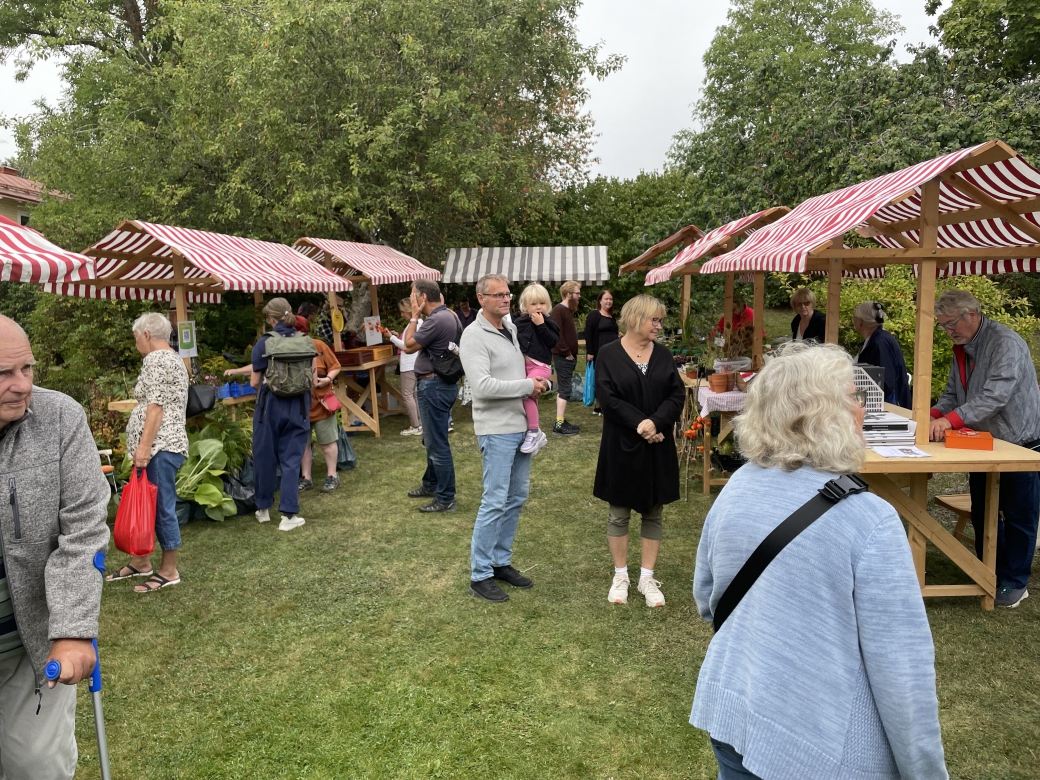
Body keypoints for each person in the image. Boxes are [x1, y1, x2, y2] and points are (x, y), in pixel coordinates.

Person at [692, 342, 948, 780]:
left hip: (733, 709)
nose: (864, 408)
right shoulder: (870, 519)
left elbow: (705, 598)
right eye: (854, 396)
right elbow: (902, 675)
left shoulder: (739, 485)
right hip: (823, 746)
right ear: (824, 412)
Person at [0, 315, 110, 780]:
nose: (22, 385)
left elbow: (83, 529)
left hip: (29, 645)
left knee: (35, 767)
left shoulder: (61, 417)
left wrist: (70, 628)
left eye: (27, 368)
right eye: (3, 373)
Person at [930, 289, 1040, 608]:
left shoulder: (1005, 342)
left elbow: (994, 397)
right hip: (985, 444)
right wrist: (933, 416)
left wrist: (949, 420)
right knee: (984, 511)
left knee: (1019, 515)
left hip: (1020, 443)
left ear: (973, 314)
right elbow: (953, 394)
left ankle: (1015, 582)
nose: (948, 331)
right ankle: (988, 571)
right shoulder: (963, 347)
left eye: (951, 324)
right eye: (943, 326)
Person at [460, 274, 550, 602]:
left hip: (520, 426)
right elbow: (482, 386)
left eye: (507, 294)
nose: (505, 299)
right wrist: (527, 387)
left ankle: (500, 561)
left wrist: (541, 383)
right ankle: (480, 574)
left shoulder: (511, 328)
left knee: (516, 497)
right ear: (481, 298)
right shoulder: (473, 336)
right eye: (497, 295)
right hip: (496, 429)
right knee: (495, 499)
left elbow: (528, 368)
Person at [594, 295, 684, 608]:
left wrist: (656, 423)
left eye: (660, 320)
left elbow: (676, 394)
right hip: (621, 443)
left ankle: (647, 577)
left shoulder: (663, 355)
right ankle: (621, 575)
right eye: (654, 320)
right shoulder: (608, 354)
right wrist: (640, 424)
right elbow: (607, 397)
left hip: (657, 444)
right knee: (619, 511)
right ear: (635, 320)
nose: (659, 325)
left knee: (653, 510)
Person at [107, 312, 190, 592]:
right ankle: (141, 561)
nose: (136, 345)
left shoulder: (156, 359)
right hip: (164, 443)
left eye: (135, 339)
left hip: (160, 445)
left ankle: (169, 570)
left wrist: (143, 448)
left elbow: (156, 406)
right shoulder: (174, 358)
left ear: (145, 335)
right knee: (148, 502)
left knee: (161, 506)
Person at [250, 298, 317, 531]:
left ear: (270, 318)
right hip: (298, 405)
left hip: (269, 405)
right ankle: (289, 516)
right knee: (291, 459)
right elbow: (314, 380)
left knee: (264, 455)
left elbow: (254, 382)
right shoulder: (306, 341)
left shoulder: (264, 343)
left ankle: (263, 509)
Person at [400, 279, 461, 513]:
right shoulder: (451, 316)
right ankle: (431, 483)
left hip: (433, 384)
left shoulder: (435, 319)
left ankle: (446, 499)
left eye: (413, 296)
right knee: (431, 439)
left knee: (437, 444)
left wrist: (414, 317)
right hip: (442, 383)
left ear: (423, 297)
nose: (412, 300)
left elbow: (408, 346)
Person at [513, 283, 559, 454]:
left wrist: (541, 325)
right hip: (525, 367)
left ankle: (534, 431)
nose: (538, 306)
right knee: (531, 398)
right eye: (533, 303)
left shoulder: (549, 323)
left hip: (540, 366)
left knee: (526, 392)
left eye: (542, 303)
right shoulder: (519, 323)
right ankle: (531, 431)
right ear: (525, 306)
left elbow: (553, 341)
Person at [299, 337, 341, 494]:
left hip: (322, 403)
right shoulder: (287, 347)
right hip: (299, 406)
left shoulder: (318, 345)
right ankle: (306, 478)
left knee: (327, 442)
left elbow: (336, 366)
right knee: (303, 444)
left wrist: (328, 379)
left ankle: (332, 476)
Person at [852, 301, 911, 408]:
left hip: (888, 407)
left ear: (860, 322)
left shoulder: (879, 343)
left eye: (854, 318)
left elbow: (885, 383)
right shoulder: (876, 339)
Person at [549, 280, 581, 436]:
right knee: (564, 390)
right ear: (569, 294)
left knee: (564, 389)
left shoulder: (567, 310)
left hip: (568, 357)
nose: (579, 296)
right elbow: (557, 335)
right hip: (563, 357)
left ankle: (560, 421)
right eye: (577, 293)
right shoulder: (558, 310)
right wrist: (567, 353)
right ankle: (559, 425)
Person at [389, 298, 423, 436]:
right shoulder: (416, 323)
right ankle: (420, 423)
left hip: (410, 363)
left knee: (408, 394)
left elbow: (406, 346)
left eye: (403, 312)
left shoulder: (414, 324)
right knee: (413, 394)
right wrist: (396, 336)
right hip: (414, 362)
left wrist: (390, 337)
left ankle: (416, 425)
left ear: (409, 311)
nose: (402, 315)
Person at [584, 289, 619, 415]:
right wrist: (590, 352)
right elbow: (588, 334)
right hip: (600, 352)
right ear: (600, 301)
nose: (609, 301)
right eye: (606, 299)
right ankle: (601, 406)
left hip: (613, 352)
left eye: (610, 299)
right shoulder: (594, 315)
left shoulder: (611, 316)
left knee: (609, 378)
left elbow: (611, 331)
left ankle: (600, 406)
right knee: (601, 378)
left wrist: (617, 335)